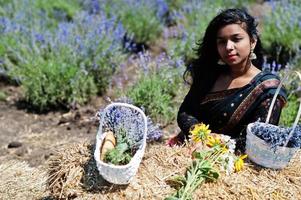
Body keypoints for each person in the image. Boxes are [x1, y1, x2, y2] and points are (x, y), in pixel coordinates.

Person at [169, 8, 287, 150]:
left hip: (232, 161)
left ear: (253, 42)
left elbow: (258, 141)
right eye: (222, 42)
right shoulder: (210, 74)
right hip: (189, 149)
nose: (228, 47)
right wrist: (199, 135)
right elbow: (186, 112)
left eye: (236, 39)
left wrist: (214, 144)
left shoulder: (267, 88)